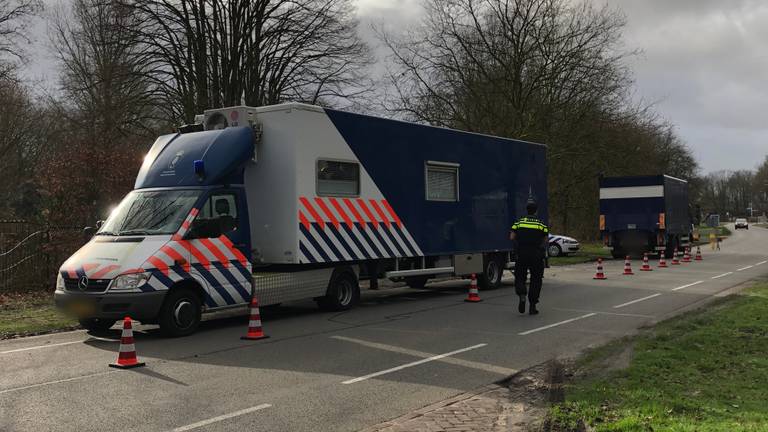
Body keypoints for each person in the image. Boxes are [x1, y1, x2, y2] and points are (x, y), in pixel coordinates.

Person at [510, 200, 549, 315]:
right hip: (536, 255)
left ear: (526, 210)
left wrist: (519, 243)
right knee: (536, 280)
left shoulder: (519, 222)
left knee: (520, 276)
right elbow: (546, 239)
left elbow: (512, 236)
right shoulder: (541, 224)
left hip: (522, 253)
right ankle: (532, 306)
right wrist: (540, 246)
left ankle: (522, 294)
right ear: (536, 211)